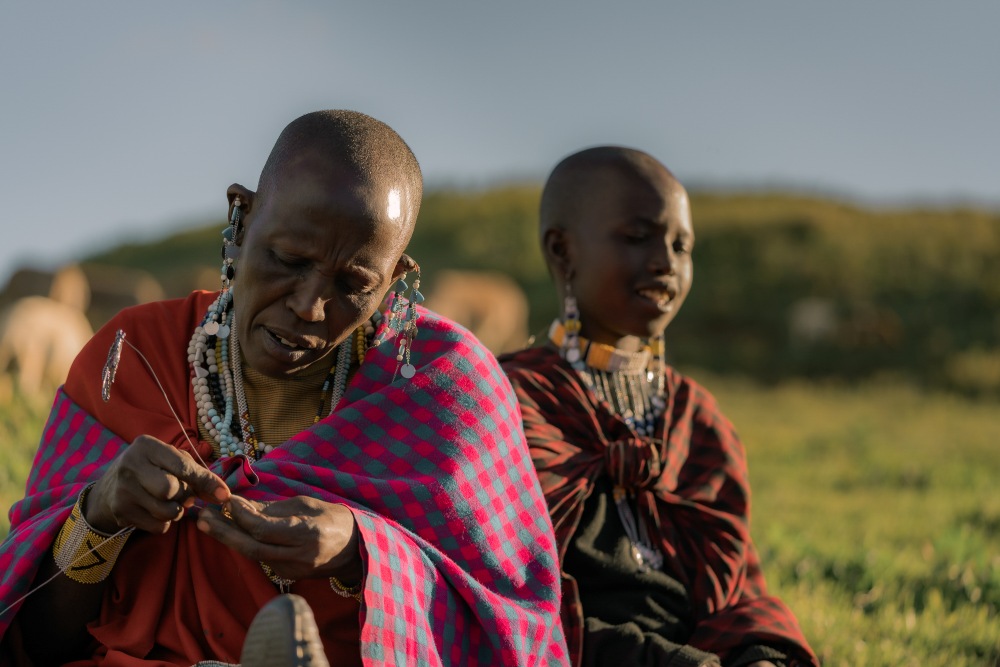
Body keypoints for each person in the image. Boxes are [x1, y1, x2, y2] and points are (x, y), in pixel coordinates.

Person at [0, 110, 568, 666]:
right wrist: (99, 512)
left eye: (353, 285)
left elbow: (516, 631)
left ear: (394, 282)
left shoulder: (443, 388)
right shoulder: (133, 356)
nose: (308, 305)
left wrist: (362, 554)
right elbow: (37, 641)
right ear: (241, 218)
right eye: (288, 259)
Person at [499, 147, 819, 667]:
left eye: (682, 245)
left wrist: (758, 656)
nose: (666, 263)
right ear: (562, 250)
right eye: (637, 237)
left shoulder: (697, 417)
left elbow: (738, 592)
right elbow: (501, 595)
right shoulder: (508, 400)